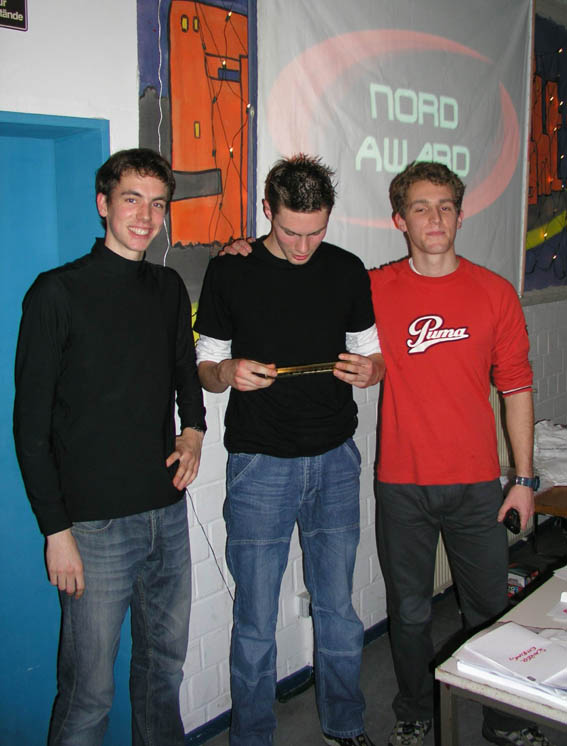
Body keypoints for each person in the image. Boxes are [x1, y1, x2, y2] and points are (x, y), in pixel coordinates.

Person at [13, 148, 206, 746]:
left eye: (158, 204)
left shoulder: (168, 287)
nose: (146, 217)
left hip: (165, 515)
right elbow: (29, 426)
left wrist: (195, 430)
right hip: (93, 530)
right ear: (103, 204)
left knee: (163, 674)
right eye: (131, 200)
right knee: (88, 694)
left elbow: (184, 368)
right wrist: (56, 530)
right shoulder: (56, 293)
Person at [194, 154, 384, 746]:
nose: (303, 247)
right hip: (260, 464)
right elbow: (205, 367)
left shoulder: (347, 269)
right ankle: (252, 737)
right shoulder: (230, 270)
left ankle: (346, 725)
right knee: (255, 619)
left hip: (335, 458)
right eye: (290, 232)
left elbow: (373, 354)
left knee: (338, 609)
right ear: (267, 211)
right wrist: (227, 371)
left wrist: (370, 371)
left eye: (316, 232)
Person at [370, 161, 551, 746]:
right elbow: (305, 275)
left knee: (490, 609)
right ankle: (414, 711)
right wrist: (248, 249)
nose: (435, 218)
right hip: (402, 484)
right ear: (400, 220)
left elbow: (517, 388)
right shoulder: (375, 288)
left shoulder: (494, 293)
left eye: (446, 206)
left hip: (477, 486)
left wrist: (524, 478)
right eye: (421, 207)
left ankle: (506, 719)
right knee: (409, 612)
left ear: (460, 214)